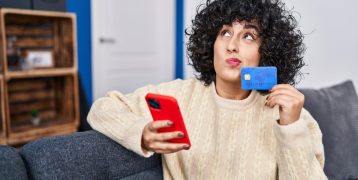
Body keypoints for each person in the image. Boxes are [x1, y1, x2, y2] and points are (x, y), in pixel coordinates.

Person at [87, 0, 327, 179]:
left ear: (267, 50)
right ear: (210, 43)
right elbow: (101, 109)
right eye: (225, 33)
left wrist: (291, 130)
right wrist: (140, 134)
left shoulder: (293, 117)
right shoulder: (178, 96)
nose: (232, 46)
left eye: (249, 37)